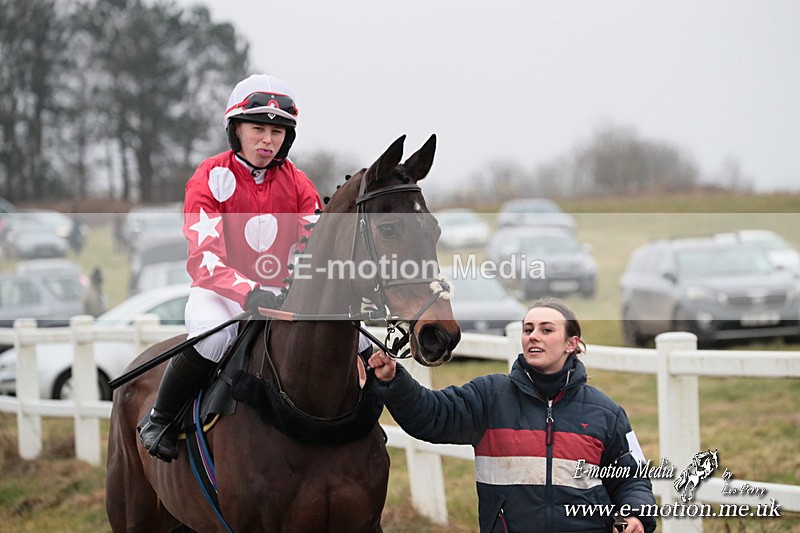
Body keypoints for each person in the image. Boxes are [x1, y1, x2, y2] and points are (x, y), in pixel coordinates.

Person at [139, 74, 322, 462]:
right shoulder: (208, 176)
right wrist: (247, 292)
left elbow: (315, 241)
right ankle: (161, 418)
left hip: (279, 292)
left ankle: (361, 424)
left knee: (349, 337)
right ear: (235, 130)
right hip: (218, 292)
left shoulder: (299, 183)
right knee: (212, 339)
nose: (267, 140)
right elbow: (205, 256)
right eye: (258, 128)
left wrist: (295, 284)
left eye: (276, 131)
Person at [369, 297, 657, 533]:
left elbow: (633, 479)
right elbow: (430, 416)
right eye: (528, 329)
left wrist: (634, 516)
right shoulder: (489, 397)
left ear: (572, 343)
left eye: (546, 330)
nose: (534, 336)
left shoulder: (606, 413)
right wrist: (394, 381)